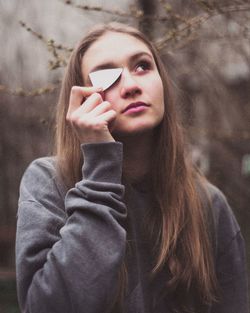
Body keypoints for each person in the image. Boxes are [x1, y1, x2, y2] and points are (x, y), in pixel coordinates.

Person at [16, 22, 249, 313]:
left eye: (142, 66)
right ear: (83, 100)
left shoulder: (208, 204)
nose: (131, 86)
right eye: (106, 75)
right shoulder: (49, 182)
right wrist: (100, 164)